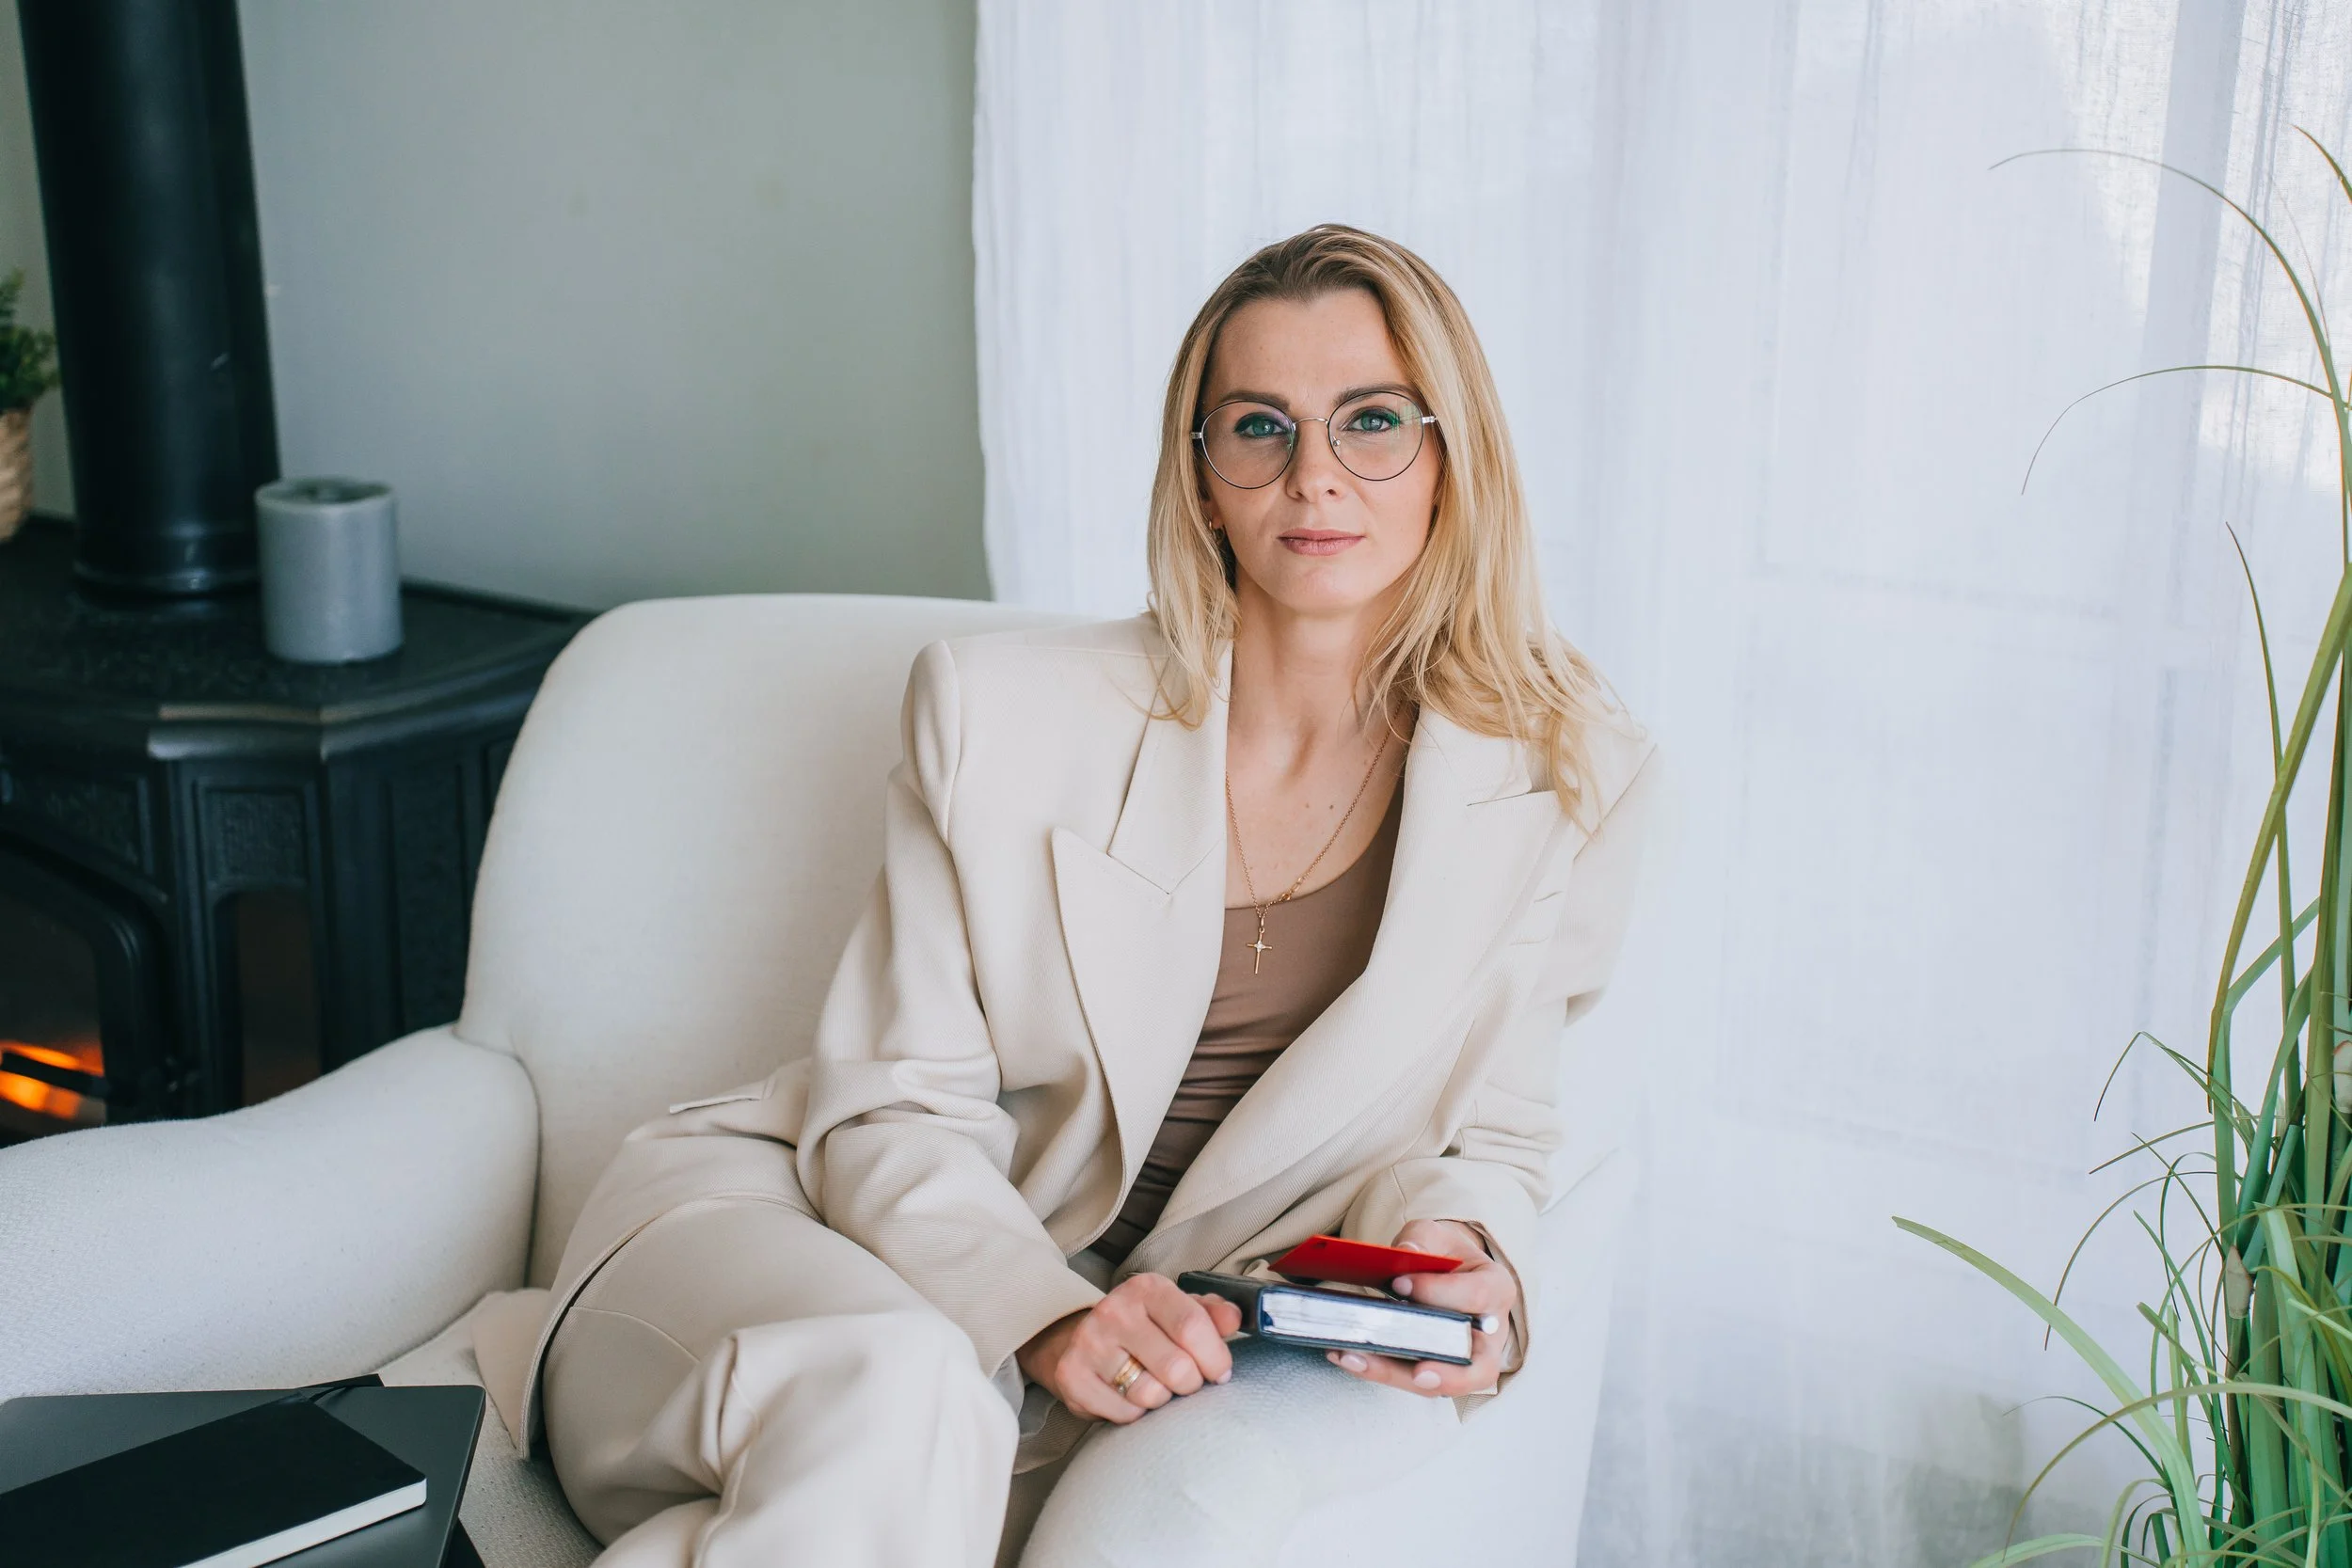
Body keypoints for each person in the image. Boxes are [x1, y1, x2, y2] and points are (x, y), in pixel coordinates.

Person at [492, 224, 1657, 1567]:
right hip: (793, 1239)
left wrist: (1469, 1257)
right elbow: (888, 1103)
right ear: (1202, 475)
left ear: (1453, 455)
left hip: (1125, 1355)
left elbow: (1493, 1130)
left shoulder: (1571, 780)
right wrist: (1041, 1312)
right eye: (1259, 427)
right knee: (910, 1392)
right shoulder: (1000, 712)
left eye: (1374, 420)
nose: (1316, 476)